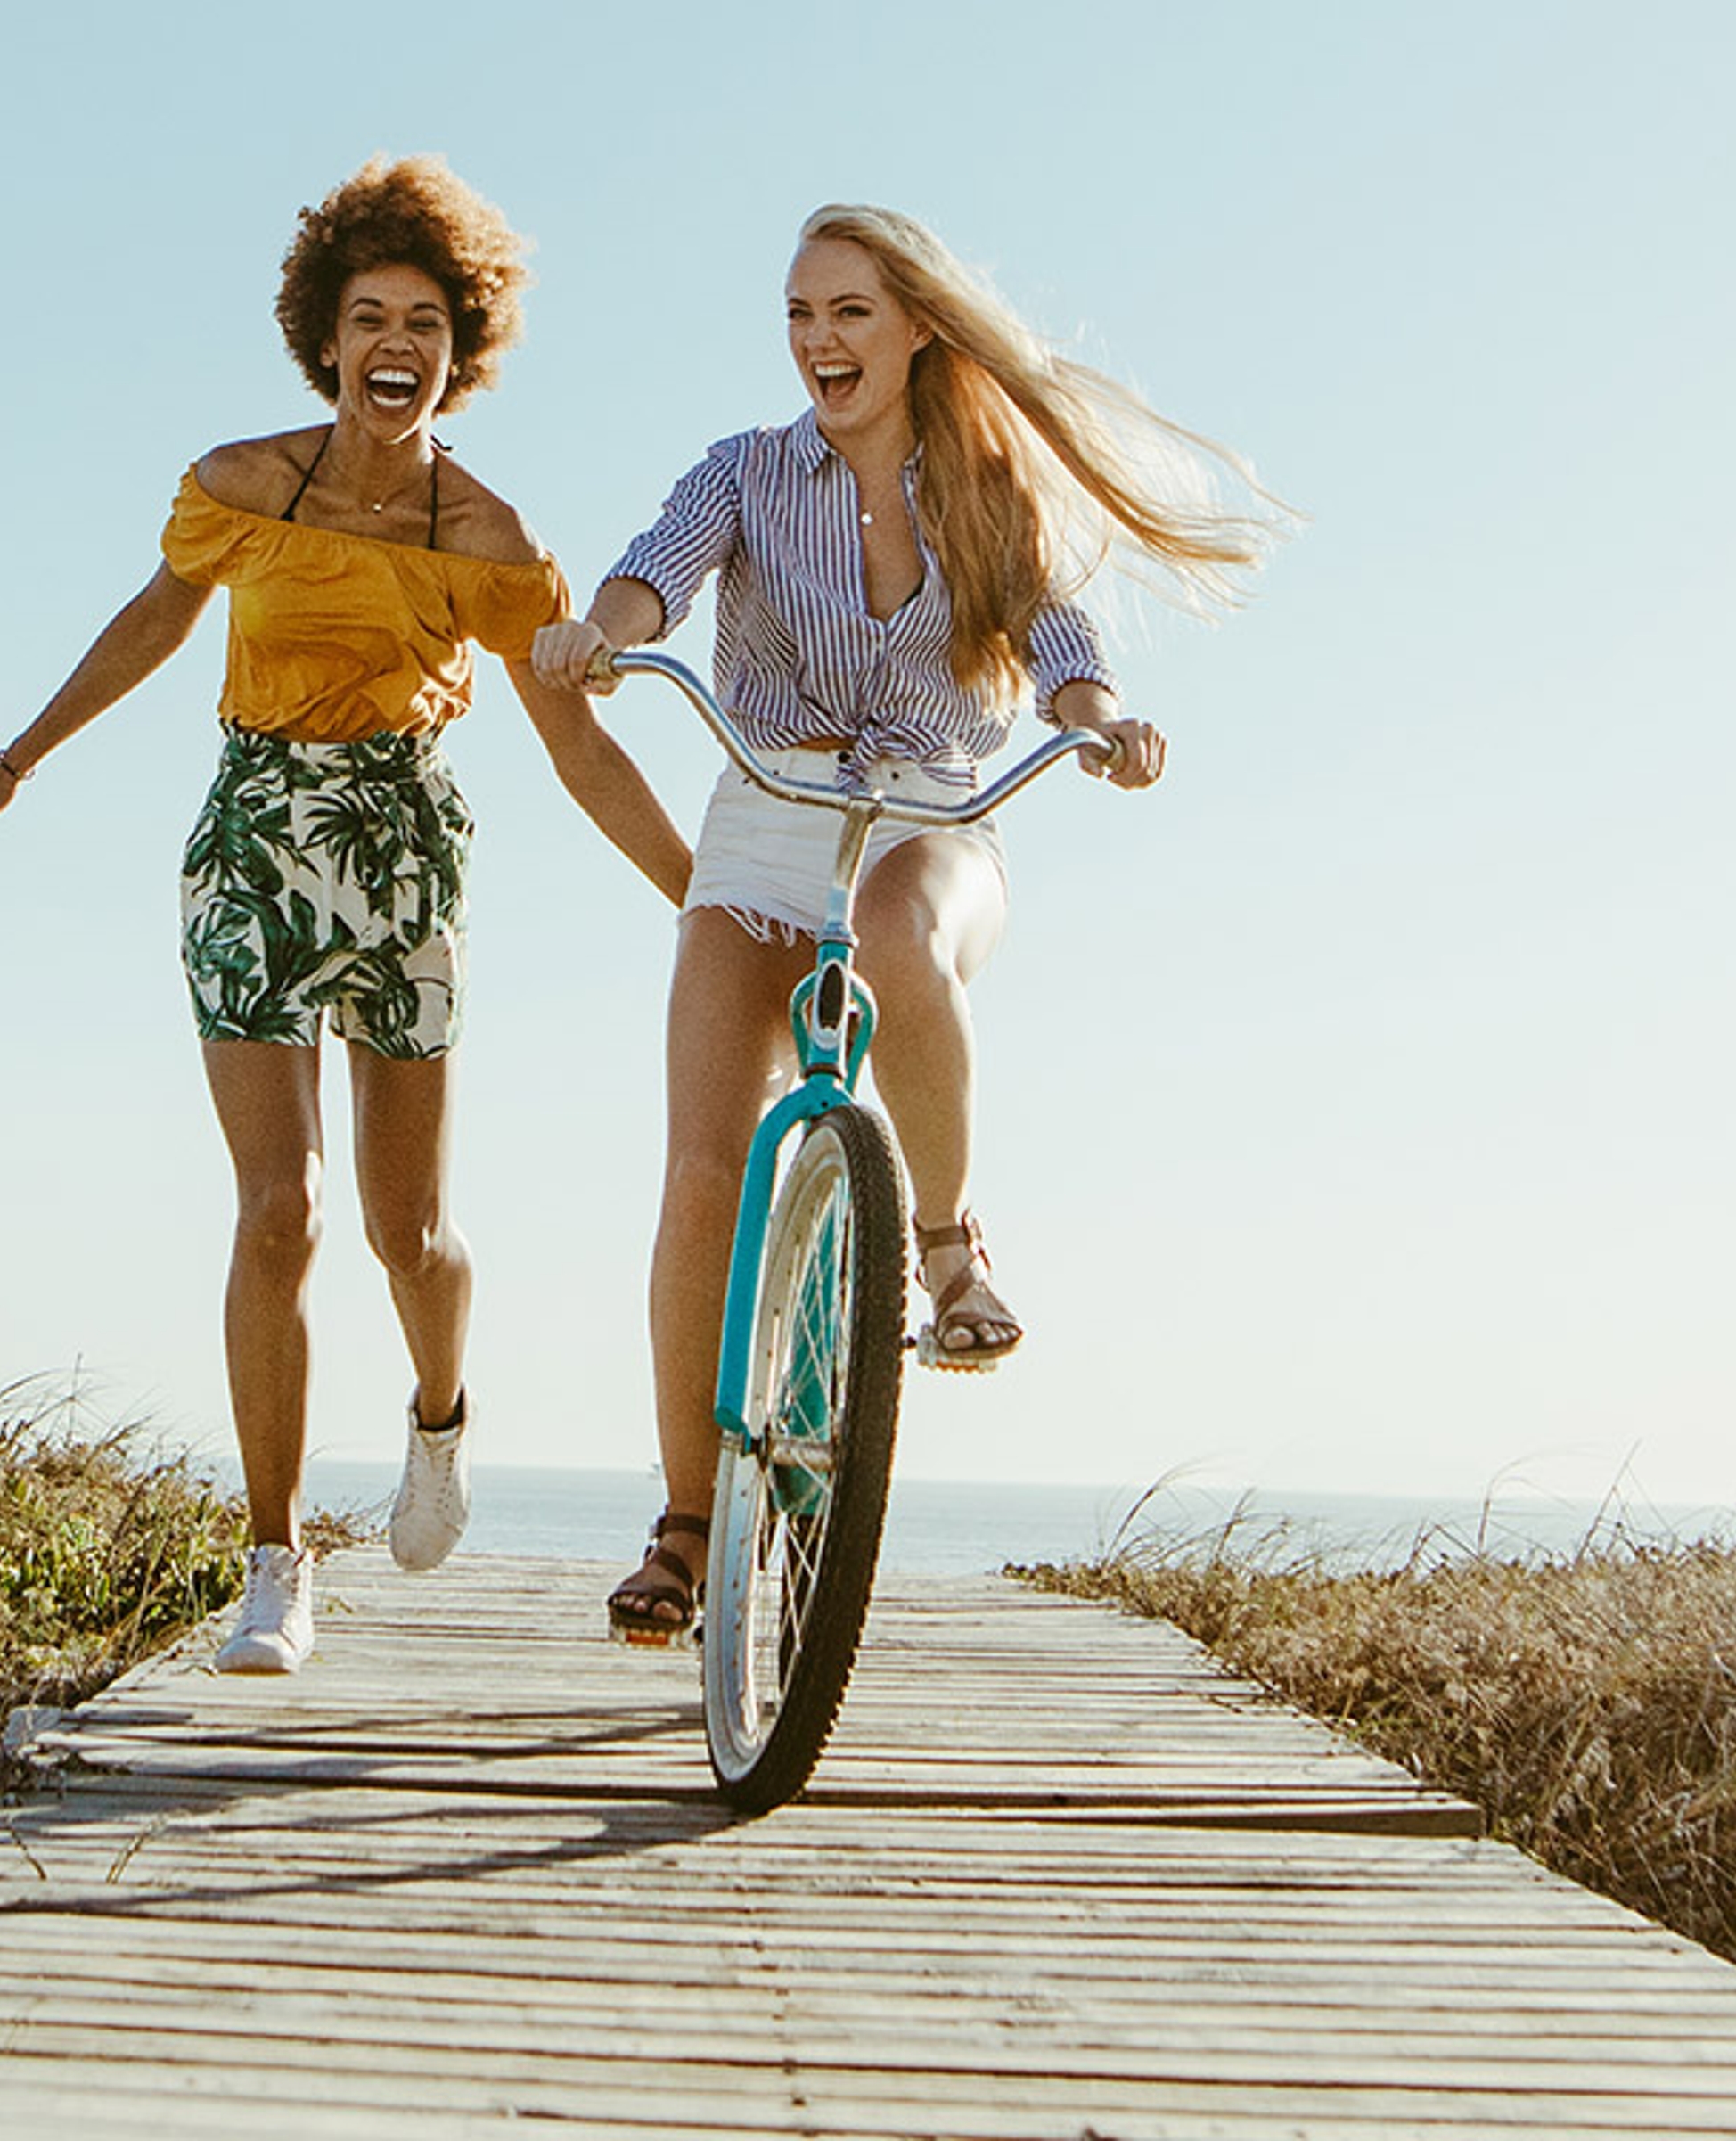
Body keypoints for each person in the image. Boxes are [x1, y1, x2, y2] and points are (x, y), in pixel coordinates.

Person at [0, 156, 687, 1674]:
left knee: (404, 1231)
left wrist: (702, 896)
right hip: (249, 843)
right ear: (328, 338)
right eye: (369, 317)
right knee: (278, 1209)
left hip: (402, 846)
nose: (394, 342)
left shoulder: (484, 539)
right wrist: (19, 758)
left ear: (456, 350)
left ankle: (437, 1419)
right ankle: (275, 1560)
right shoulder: (238, 487)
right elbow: (155, 617)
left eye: (424, 318)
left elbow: (578, 745)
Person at [529, 202, 1290, 1638]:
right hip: (765, 812)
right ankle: (688, 1529)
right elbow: (654, 572)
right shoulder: (748, 473)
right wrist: (607, 637)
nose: (820, 342)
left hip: (937, 814)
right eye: (801, 317)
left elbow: (1062, 643)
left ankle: (943, 1246)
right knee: (702, 1167)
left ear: (917, 327)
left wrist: (1102, 719)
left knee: (895, 934)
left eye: (851, 314)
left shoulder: (987, 489)